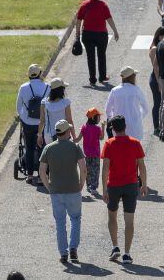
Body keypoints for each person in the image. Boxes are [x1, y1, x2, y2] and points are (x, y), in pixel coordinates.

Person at [101, 115, 148, 265]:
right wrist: (144, 184)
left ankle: (115, 247)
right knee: (129, 220)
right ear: (125, 126)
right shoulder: (135, 143)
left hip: (113, 185)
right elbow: (141, 166)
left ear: (113, 129)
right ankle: (127, 254)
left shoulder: (109, 144)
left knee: (112, 217)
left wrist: (104, 189)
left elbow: (105, 168)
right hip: (131, 185)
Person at [39, 119, 86, 264]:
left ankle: (63, 253)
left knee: (60, 222)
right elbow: (83, 168)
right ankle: (73, 249)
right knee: (76, 219)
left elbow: (42, 171)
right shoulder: (75, 147)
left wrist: (49, 187)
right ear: (66, 132)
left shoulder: (48, 148)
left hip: (56, 191)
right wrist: (81, 184)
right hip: (73, 189)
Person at [75, 0, 119, 86]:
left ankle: (92, 79)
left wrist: (77, 33)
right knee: (101, 55)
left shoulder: (84, 5)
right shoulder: (103, 5)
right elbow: (109, 19)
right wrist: (115, 31)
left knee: (90, 57)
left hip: (87, 34)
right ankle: (102, 77)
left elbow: (78, 20)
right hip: (101, 34)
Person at [16, 64, 48, 184]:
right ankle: (41, 176)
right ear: (40, 73)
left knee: (29, 148)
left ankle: (29, 175)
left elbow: (18, 107)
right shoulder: (47, 87)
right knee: (42, 147)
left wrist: (24, 117)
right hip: (42, 123)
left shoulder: (23, 87)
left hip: (28, 122)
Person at [105, 66, 150, 141]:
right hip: (135, 129)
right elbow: (145, 108)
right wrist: (138, 117)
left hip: (118, 129)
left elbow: (108, 110)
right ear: (132, 77)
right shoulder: (136, 90)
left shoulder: (115, 91)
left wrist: (113, 119)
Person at [74, 108, 104, 195]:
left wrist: (72, 136)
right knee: (95, 170)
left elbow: (77, 139)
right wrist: (103, 126)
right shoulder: (97, 129)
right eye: (98, 117)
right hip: (95, 154)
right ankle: (93, 187)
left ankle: (88, 186)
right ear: (94, 118)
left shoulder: (84, 128)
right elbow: (101, 138)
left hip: (86, 154)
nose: (99, 119)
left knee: (87, 170)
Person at [38, 78, 75, 148]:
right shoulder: (65, 102)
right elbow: (69, 121)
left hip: (48, 136)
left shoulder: (44, 102)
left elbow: (42, 121)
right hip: (64, 134)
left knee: (52, 157)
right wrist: (74, 137)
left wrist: (39, 135)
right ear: (61, 90)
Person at [148, 27, 164, 136]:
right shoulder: (154, 48)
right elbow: (156, 67)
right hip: (156, 78)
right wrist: (159, 82)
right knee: (157, 103)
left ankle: (163, 125)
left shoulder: (158, 46)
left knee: (163, 104)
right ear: (159, 36)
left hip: (160, 78)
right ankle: (156, 127)